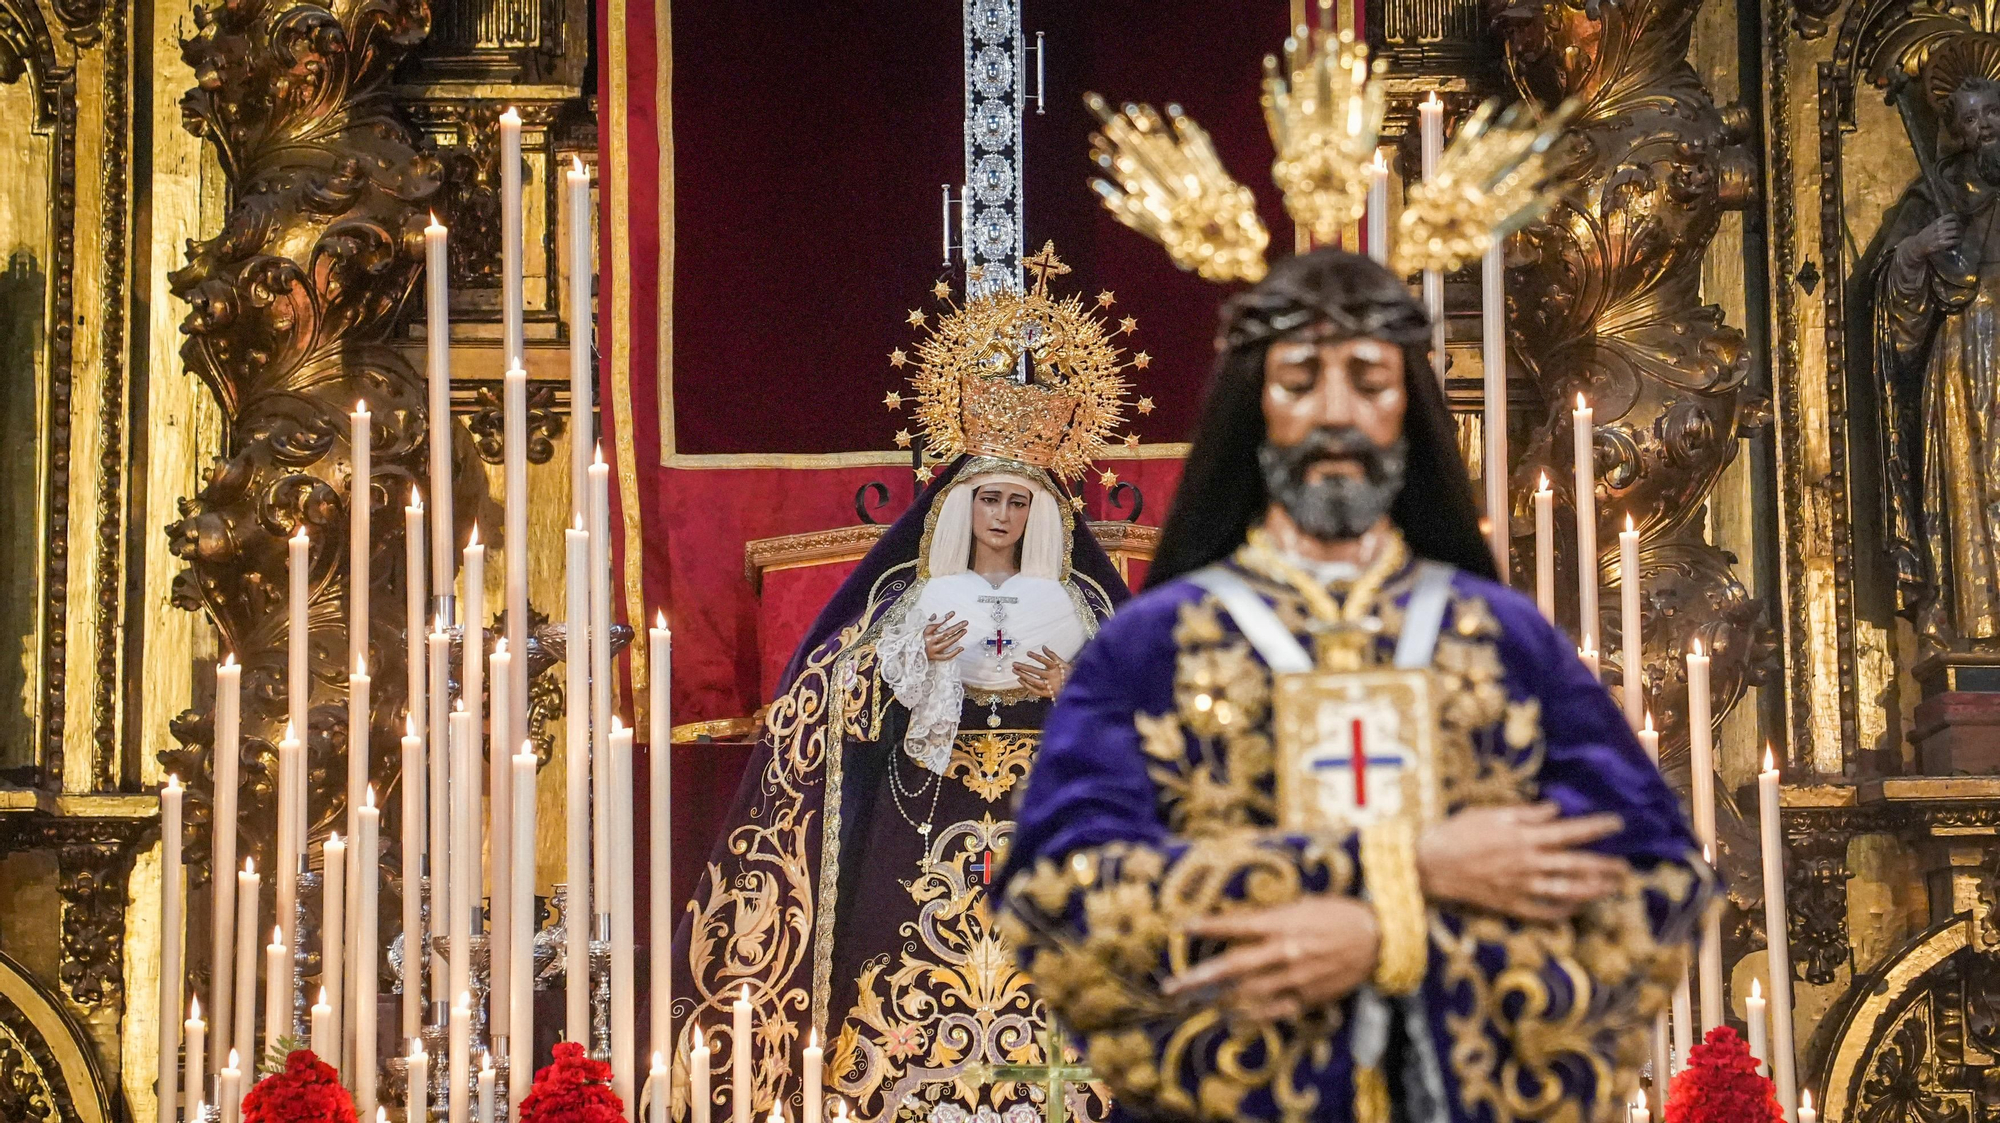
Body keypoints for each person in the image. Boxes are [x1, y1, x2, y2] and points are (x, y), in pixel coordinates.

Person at [995, 250, 1711, 1123]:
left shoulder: (1499, 640)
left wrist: (1385, 938)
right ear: (1255, 406)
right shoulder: (1153, 648)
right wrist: (1408, 867)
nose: (1336, 413)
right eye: (1301, 380)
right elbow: (1062, 893)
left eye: (1368, 381)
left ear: (1408, 406)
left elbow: (1649, 876)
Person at [673, 455, 1125, 1122]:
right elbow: (829, 697)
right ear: (963, 504)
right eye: (990, 499)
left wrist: (1072, 689)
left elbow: (1142, 720)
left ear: (1041, 514)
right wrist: (918, 666)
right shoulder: (912, 601)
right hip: (923, 810)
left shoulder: (1085, 607)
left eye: (1018, 503)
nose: (1002, 517)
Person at [1871, 62, 2000, 650]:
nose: (1986, 126)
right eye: (1971, 119)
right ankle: (1977, 621)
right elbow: (1893, 308)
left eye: (1994, 111)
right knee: (1969, 480)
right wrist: (1918, 249)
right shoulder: (1938, 195)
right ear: (1956, 131)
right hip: (1967, 348)